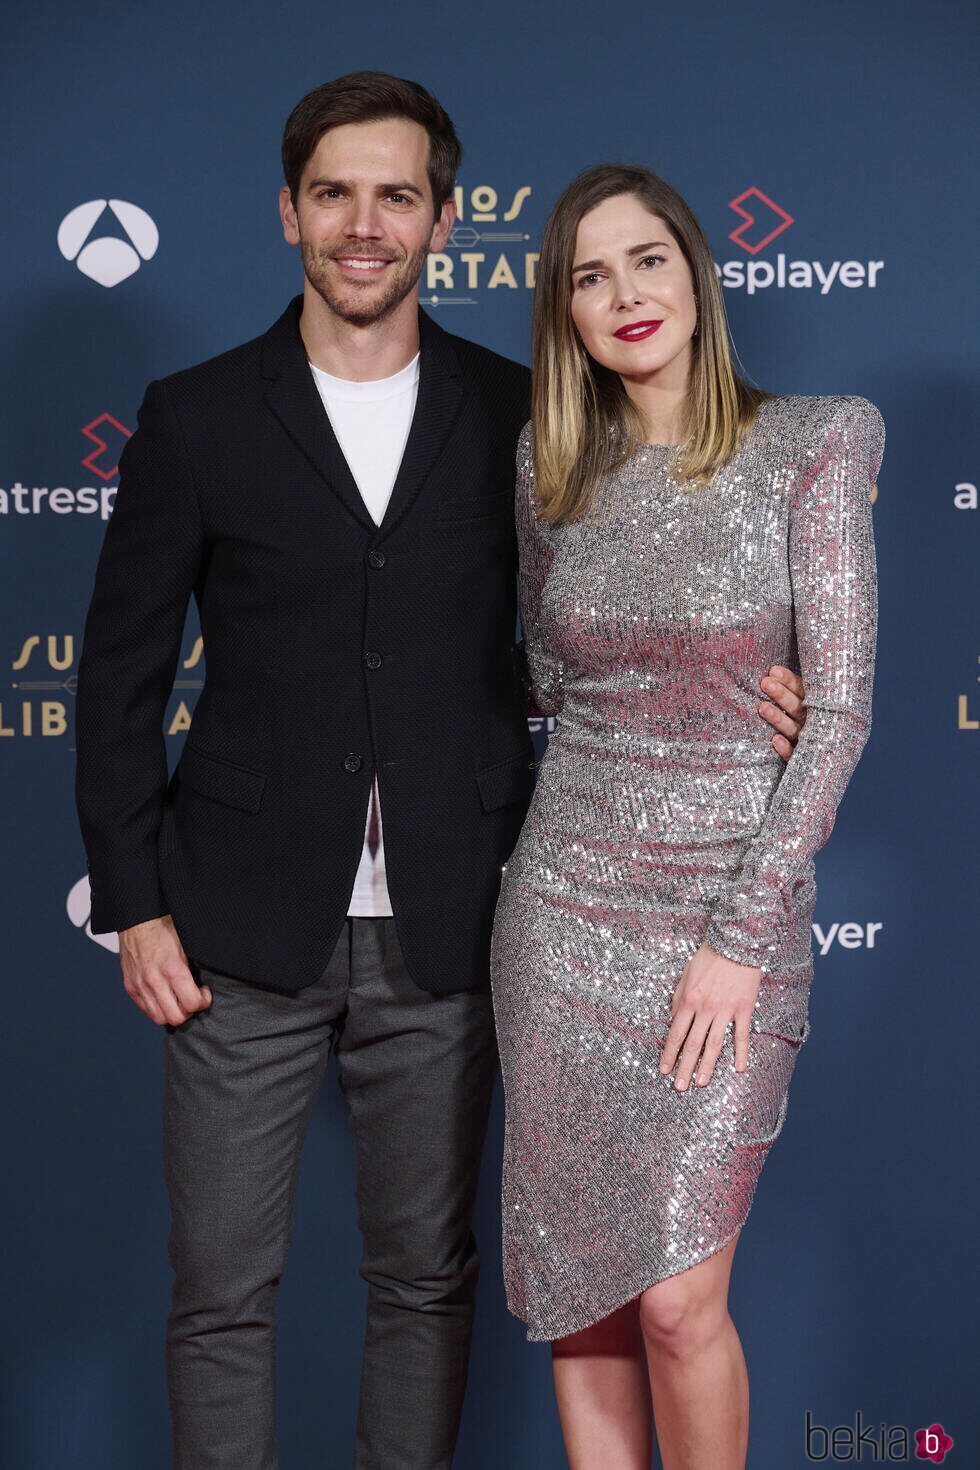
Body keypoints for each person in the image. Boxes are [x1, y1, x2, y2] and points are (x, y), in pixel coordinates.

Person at [74, 72, 807, 1470]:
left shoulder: (527, 412)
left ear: (443, 219)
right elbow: (114, 684)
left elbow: (615, 618)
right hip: (232, 925)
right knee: (220, 1293)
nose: (365, 224)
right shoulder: (196, 416)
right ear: (288, 210)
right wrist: (138, 902)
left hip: (465, 919)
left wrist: (748, 692)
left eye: (396, 195)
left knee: (426, 1281)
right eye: (335, 192)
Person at [490, 163, 883, 1470]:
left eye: (647, 259)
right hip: (561, 913)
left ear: (698, 271)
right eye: (590, 276)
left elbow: (839, 712)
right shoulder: (550, 468)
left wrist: (737, 929)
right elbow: (551, 676)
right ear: (567, 313)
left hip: (731, 909)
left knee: (675, 1301)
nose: (625, 294)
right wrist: (714, 680)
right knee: (585, 1304)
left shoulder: (818, 440)